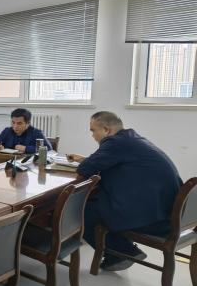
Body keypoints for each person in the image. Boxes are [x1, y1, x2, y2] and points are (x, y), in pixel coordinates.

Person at [68, 111, 182, 271]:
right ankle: (122, 247)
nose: (92, 135)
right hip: (169, 212)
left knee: (81, 211)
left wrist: (86, 161)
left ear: (106, 130)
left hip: (157, 220)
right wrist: (86, 159)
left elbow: (85, 169)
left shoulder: (115, 143)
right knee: (96, 201)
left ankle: (121, 253)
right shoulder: (131, 138)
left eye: (93, 130)